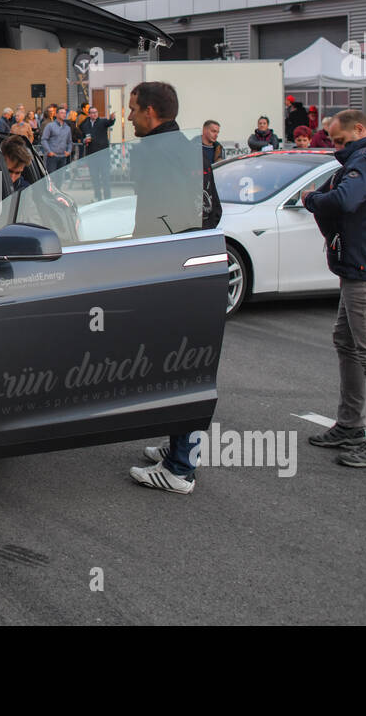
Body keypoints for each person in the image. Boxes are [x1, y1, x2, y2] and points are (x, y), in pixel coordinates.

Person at [126, 81, 217, 494]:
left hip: (165, 272)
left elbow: (150, 219)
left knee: (178, 368)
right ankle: (178, 449)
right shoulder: (193, 148)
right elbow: (212, 212)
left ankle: (180, 469)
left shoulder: (152, 153)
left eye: (132, 110)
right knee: (184, 364)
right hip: (191, 269)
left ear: (150, 112)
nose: (128, 118)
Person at [302, 110, 366, 467]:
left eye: (340, 141)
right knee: (346, 342)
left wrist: (312, 200)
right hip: (365, 264)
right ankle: (350, 424)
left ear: (360, 130)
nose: (336, 149)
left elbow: (345, 199)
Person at [83, 106, 117, 201]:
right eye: (92, 113)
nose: (94, 114)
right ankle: (98, 197)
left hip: (103, 155)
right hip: (91, 155)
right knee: (95, 178)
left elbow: (110, 123)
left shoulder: (102, 122)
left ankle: (107, 198)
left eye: (96, 112)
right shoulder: (85, 125)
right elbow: (82, 138)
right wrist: (84, 140)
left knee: (105, 177)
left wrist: (112, 118)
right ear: (89, 114)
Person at [40, 105, 73, 172]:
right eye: (61, 113)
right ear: (56, 114)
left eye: (65, 113)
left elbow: (69, 141)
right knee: (52, 177)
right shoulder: (50, 126)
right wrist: (49, 151)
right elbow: (44, 139)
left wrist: (69, 151)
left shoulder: (67, 128)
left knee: (60, 178)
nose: (64, 114)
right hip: (52, 157)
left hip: (63, 157)